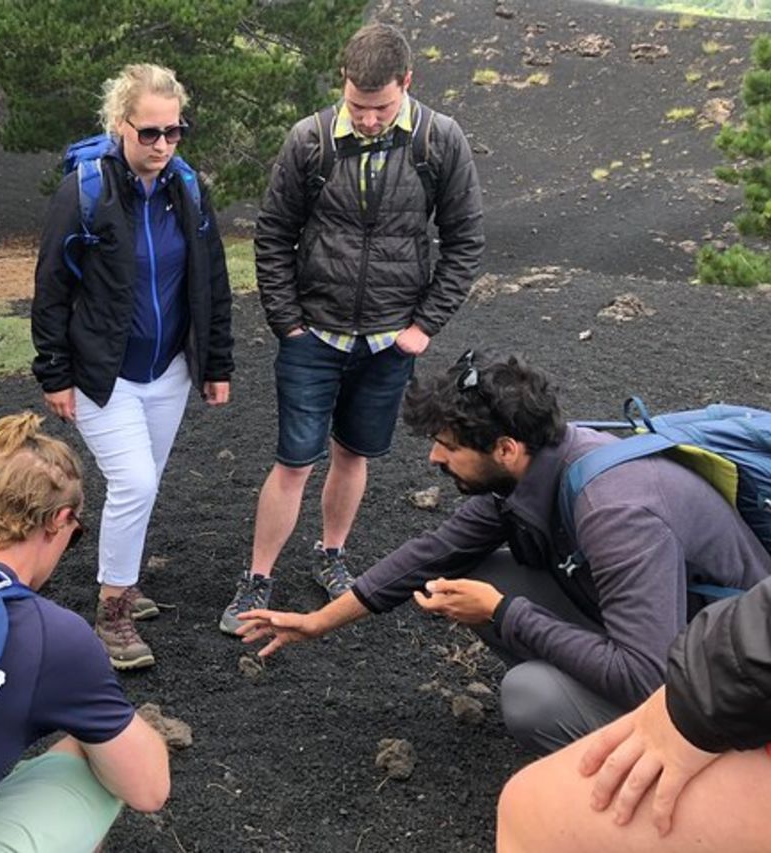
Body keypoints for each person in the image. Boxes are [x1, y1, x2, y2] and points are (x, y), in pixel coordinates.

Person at [237, 351, 771, 753]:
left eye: (447, 445)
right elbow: (433, 553)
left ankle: (679, 761)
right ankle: (593, 701)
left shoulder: (615, 510)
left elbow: (644, 673)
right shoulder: (541, 463)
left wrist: (504, 614)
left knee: (530, 697)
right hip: (669, 629)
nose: (433, 457)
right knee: (472, 571)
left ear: (505, 448)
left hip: (729, 677)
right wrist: (318, 621)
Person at [221, 22, 484, 633]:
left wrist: (424, 326)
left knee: (353, 453)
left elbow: (465, 241)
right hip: (314, 335)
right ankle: (257, 577)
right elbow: (273, 235)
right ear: (343, 83)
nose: (368, 119)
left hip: (391, 342)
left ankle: (331, 556)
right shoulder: (308, 140)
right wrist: (287, 323)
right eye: (358, 106)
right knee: (294, 461)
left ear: (407, 85)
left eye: (381, 108)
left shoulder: (438, 141)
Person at [32, 63, 233, 669]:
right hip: (104, 373)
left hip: (168, 369)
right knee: (135, 482)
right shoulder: (86, 191)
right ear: (120, 125)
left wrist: (214, 362)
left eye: (175, 132)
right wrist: (55, 373)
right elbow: (50, 289)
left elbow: (213, 282)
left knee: (142, 485)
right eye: (150, 133)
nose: (164, 146)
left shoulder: (188, 191)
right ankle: (112, 611)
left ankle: (125, 580)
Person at [0, 412, 170, 849]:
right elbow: (149, 790)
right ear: (59, 520)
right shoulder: (46, 630)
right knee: (94, 757)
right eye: (76, 533)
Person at [496, 575, 771, 852]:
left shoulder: (629, 533)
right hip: (737, 655)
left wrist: (507, 614)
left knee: (530, 814)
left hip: (737, 682)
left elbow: (647, 675)